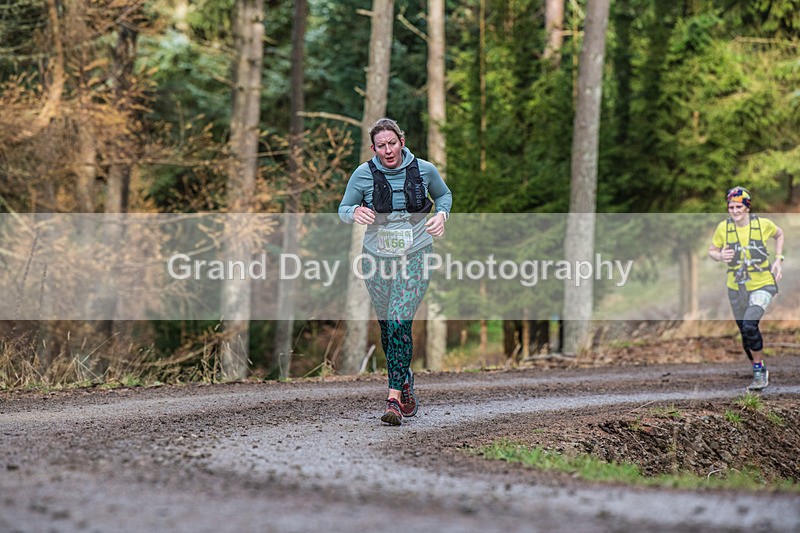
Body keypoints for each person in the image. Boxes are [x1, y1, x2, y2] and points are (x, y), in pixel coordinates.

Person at [339, 118, 452, 425]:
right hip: (377, 258)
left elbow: (444, 196)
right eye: (380, 146)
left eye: (392, 143)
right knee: (389, 326)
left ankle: (393, 400)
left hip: (416, 253)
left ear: (402, 141)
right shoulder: (363, 175)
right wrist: (355, 212)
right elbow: (343, 208)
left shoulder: (425, 169)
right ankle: (404, 378)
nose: (387, 150)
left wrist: (442, 215)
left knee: (400, 318)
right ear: (373, 148)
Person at [708, 186, 784, 391]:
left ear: (747, 207)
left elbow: (779, 234)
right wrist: (719, 256)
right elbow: (712, 250)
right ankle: (758, 367)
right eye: (731, 207)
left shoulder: (763, 225)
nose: (734, 210)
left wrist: (778, 259)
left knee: (750, 324)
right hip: (736, 286)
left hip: (762, 283)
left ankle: (759, 371)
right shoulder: (723, 228)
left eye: (738, 206)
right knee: (745, 333)